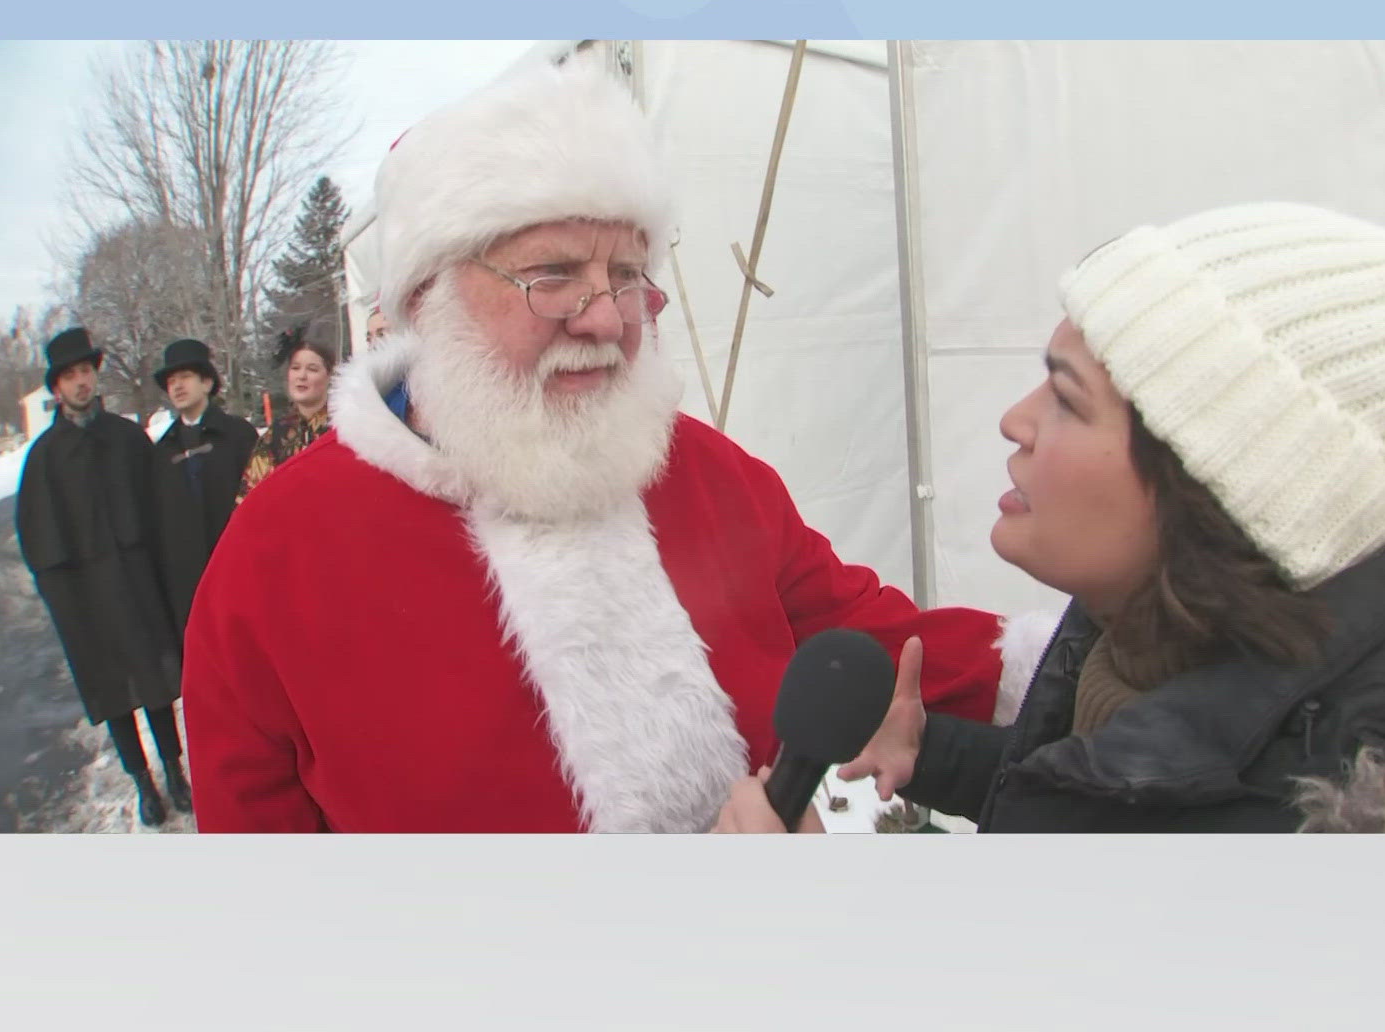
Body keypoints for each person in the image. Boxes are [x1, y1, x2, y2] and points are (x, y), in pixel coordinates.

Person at [180, 59, 1009, 833]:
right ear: (429, 298)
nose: (607, 317)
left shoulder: (703, 470)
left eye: (625, 275)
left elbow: (875, 639)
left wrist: (1066, 667)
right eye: (553, 275)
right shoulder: (277, 551)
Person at [716, 196, 1385, 834]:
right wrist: (941, 754)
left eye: (1067, 399)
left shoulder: (1293, 846)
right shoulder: (1168, 650)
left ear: (1221, 486)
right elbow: (1117, 781)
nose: (1015, 422)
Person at [14, 327, 189, 825]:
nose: (81, 382)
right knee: (113, 693)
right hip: (87, 598)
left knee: (155, 684)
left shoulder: (127, 439)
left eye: (86, 371)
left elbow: (160, 511)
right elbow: (37, 540)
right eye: (70, 375)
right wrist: (65, 598)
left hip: (136, 585)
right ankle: (143, 783)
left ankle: (174, 771)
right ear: (56, 387)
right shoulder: (44, 458)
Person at [149, 339, 258, 640]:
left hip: (239, 569)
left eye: (185, 377)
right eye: (171, 380)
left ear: (207, 382)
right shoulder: (163, 451)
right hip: (188, 583)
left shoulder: (239, 435)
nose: (177, 386)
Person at [237, 332, 333, 502]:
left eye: (312, 369)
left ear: (329, 376)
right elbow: (251, 498)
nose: (302, 376)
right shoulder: (275, 435)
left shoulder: (345, 427)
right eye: (295, 368)